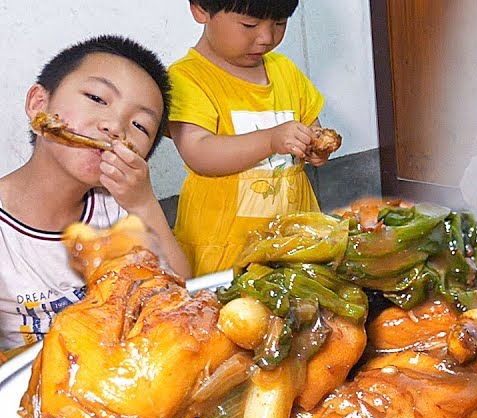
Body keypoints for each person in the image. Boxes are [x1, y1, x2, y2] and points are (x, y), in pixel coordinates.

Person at [0, 35, 189, 358]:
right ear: (38, 105)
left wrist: (143, 203)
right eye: (97, 98)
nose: (115, 127)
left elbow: (181, 295)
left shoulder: (120, 209)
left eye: (140, 126)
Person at [169, 0, 337, 277]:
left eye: (279, 23)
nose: (266, 37)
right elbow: (198, 152)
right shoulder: (187, 78)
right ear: (201, 9)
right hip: (225, 246)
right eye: (250, 25)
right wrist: (271, 140)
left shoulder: (285, 70)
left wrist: (314, 148)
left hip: (293, 237)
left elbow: (311, 127)